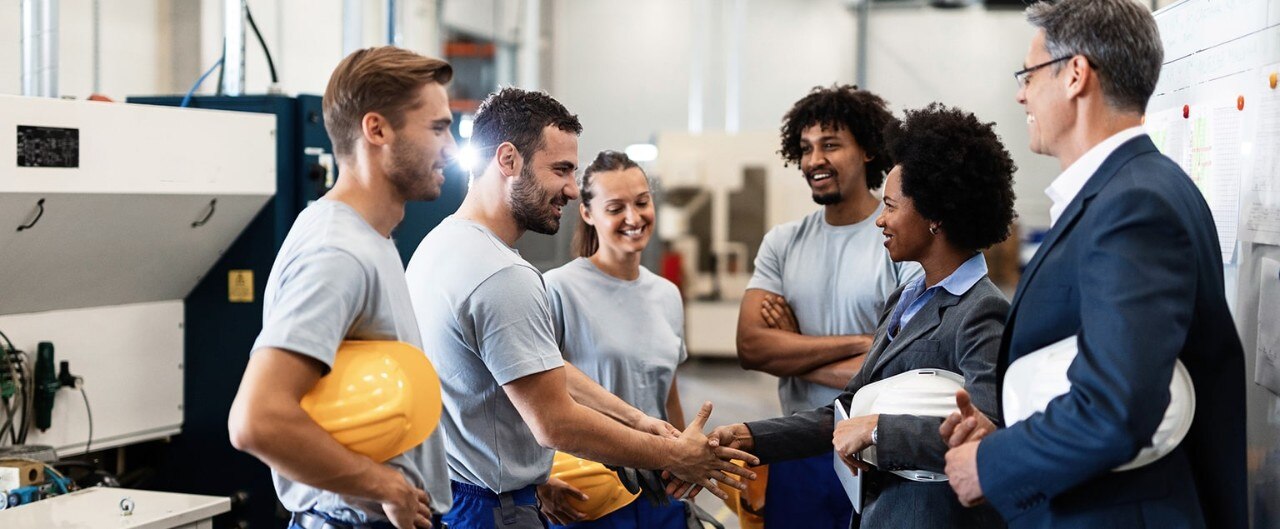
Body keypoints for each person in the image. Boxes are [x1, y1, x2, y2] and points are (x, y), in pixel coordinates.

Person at [940, 1, 1248, 526]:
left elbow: (1116, 408)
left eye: (1028, 74)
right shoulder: (1137, 189)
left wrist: (992, 464)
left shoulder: (1133, 205)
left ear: (1075, 75)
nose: (1020, 93)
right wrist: (1018, 434)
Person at [405, 88, 756, 529]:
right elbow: (555, 422)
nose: (571, 189)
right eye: (561, 170)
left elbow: (536, 367)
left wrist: (637, 419)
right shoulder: (503, 275)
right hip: (494, 509)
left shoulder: (440, 244)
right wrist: (676, 455)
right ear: (508, 159)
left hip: (460, 491)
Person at [710, 104, 1016, 528]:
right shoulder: (906, 298)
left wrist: (880, 432)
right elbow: (845, 410)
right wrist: (749, 435)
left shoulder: (981, 310)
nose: (881, 221)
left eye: (890, 206)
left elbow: (993, 433)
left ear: (935, 216)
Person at [227, 47, 456, 529]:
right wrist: (384, 485)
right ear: (377, 130)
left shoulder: (369, 238)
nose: (451, 147)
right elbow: (257, 419)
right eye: (437, 128)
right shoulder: (338, 253)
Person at [735, 84, 922, 528]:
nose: (814, 159)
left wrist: (793, 351)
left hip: (876, 456)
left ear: (869, 151)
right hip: (798, 449)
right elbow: (751, 347)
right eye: (805, 148)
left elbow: (904, 369)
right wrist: (869, 343)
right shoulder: (782, 243)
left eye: (831, 145)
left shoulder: (899, 238)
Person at [534, 150, 690, 528]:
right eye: (616, 207)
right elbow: (527, 393)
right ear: (587, 213)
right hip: (587, 494)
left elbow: (666, 392)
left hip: (660, 491)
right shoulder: (558, 289)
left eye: (641, 203)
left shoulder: (667, 294)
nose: (634, 218)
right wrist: (537, 480)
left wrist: (687, 456)